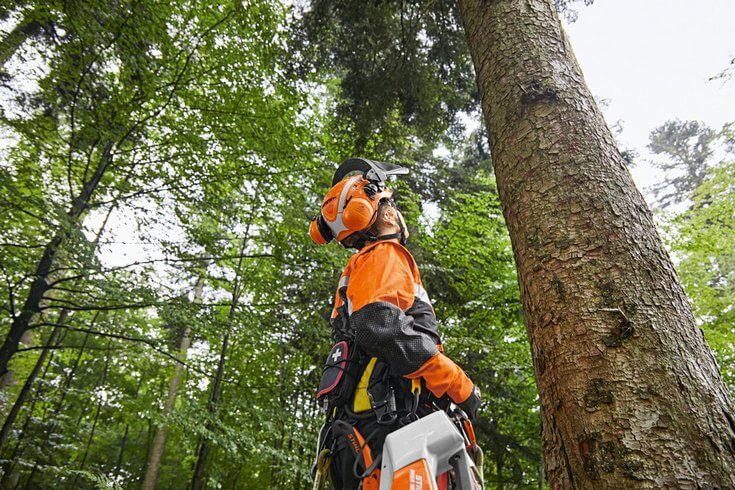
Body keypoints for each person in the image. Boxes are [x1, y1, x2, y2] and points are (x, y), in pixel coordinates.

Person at [310, 158, 481, 489]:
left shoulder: (362, 265)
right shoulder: (385, 255)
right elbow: (380, 324)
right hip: (387, 423)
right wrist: (455, 382)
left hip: (363, 428)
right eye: (393, 207)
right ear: (387, 214)